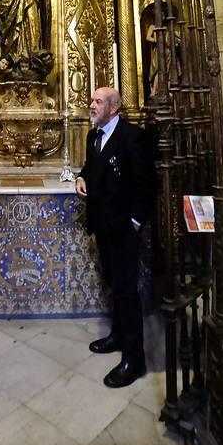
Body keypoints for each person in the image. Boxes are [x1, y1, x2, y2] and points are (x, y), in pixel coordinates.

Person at [75, 87, 157, 387]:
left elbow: (147, 183)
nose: (91, 105)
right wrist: (81, 177)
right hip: (103, 226)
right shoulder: (93, 135)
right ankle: (119, 336)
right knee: (112, 282)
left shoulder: (132, 136)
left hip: (123, 228)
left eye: (97, 101)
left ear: (113, 107)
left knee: (126, 291)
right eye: (92, 99)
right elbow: (90, 166)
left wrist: (136, 221)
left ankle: (134, 360)